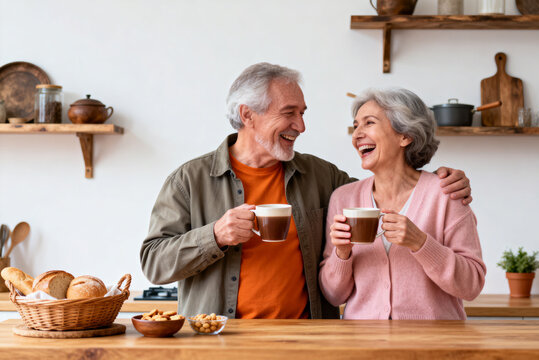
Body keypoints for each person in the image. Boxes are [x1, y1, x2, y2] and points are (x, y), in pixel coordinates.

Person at [140, 63, 473, 319]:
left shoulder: (322, 177)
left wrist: (444, 179)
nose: (301, 126)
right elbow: (154, 263)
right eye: (289, 113)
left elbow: (384, 190)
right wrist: (214, 235)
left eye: (302, 114)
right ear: (248, 115)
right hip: (222, 339)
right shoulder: (189, 180)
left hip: (307, 339)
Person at [319, 88, 486, 320]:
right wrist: (342, 253)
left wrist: (421, 243)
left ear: (405, 136)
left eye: (369, 123)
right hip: (362, 346)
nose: (357, 134)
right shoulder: (344, 198)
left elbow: (471, 286)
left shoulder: (446, 193)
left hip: (433, 347)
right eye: (356, 125)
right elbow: (333, 295)